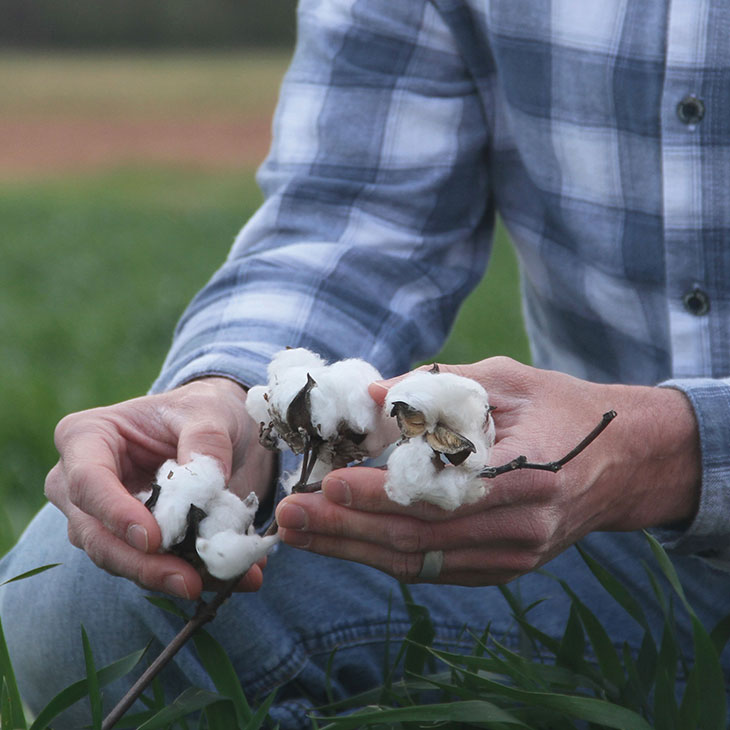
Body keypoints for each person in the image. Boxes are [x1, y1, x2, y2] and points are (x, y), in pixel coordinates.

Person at [2, 1, 729, 726]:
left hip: (612, 498)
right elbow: (355, 216)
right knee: (84, 600)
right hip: (607, 546)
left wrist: (671, 451)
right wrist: (235, 401)